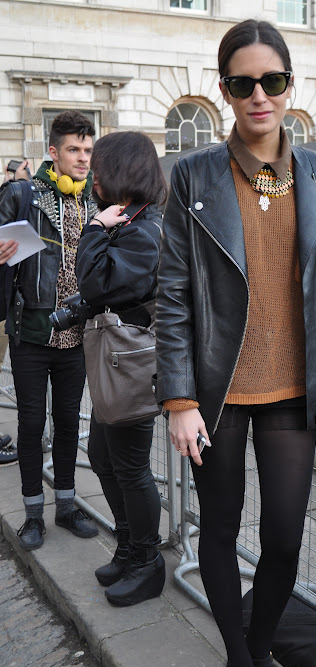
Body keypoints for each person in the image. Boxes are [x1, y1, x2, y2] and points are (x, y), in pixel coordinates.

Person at [156, 19, 316, 667]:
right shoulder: (195, 175)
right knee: (219, 527)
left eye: (271, 80)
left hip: (293, 387)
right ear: (225, 91)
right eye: (243, 83)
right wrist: (179, 398)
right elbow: (172, 293)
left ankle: (260, 648)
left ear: (289, 85)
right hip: (216, 391)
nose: (259, 95)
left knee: (284, 537)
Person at [75, 131, 166, 607]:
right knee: (104, 457)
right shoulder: (131, 221)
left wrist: (93, 228)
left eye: (100, 168)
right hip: (117, 361)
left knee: (129, 466)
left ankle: (148, 562)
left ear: (122, 171)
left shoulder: (142, 229)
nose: (93, 177)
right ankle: (130, 548)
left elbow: (97, 284)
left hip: (132, 363)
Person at [0, 111, 98, 551]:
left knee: (67, 423)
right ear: (54, 152)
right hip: (32, 332)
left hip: (78, 336)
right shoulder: (23, 194)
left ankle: (67, 505)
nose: (82, 158)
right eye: (74, 149)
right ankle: (33, 513)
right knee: (31, 424)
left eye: (88, 150)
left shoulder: (94, 201)